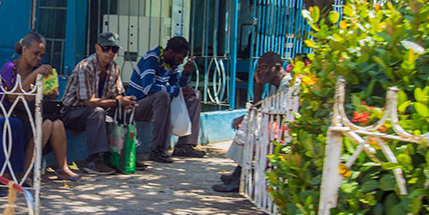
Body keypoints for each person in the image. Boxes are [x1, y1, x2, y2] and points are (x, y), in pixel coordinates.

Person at [0, 32, 80, 182]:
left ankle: (63, 168)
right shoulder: (10, 67)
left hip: (33, 111)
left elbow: (49, 92)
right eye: (35, 53)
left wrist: (52, 89)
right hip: (14, 112)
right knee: (45, 124)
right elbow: (13, 96)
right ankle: (25, 172)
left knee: (57, 123)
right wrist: (35, 74)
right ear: (24, 50)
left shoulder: (40, 69)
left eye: (41, 55)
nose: (38, 58)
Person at [60, 31, 138, 175]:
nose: (110, 52)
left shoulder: (114, 68)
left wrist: (125, 102)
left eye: (114, 49)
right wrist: (117, 102)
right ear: (97, 48)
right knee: (97, 112)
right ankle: (94, 161)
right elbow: (89, 102)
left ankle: (124, 154)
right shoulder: (85, 67)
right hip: (72, 113)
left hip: (97, 111)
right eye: (106, 48)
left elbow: (118, 94)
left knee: (126, 109)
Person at [212, 52, 291, 193]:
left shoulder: (287, 85)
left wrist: (249, 117)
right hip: (271, 127)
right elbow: (260, 107)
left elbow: (275, 114)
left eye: (264, 67)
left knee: (251, 125)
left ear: (277, 67)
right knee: (249, 123)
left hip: (282, 131)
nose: (260, 71)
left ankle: (241, 175)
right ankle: (239, 172)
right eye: (259, 68)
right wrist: (258, 86)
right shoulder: (274, 87)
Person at [126, 35, 205, 163]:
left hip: (157, 104)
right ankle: (157, 149)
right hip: (137, 105)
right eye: (180, 58)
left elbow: (177, 85)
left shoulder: (172, 64)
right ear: (170, 52)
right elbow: (148, 88)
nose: (180, 62)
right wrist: (175, 90)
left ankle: (184, 146)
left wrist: (185, 74)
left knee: (194, 95)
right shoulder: (151, 59)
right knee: (162, 95)